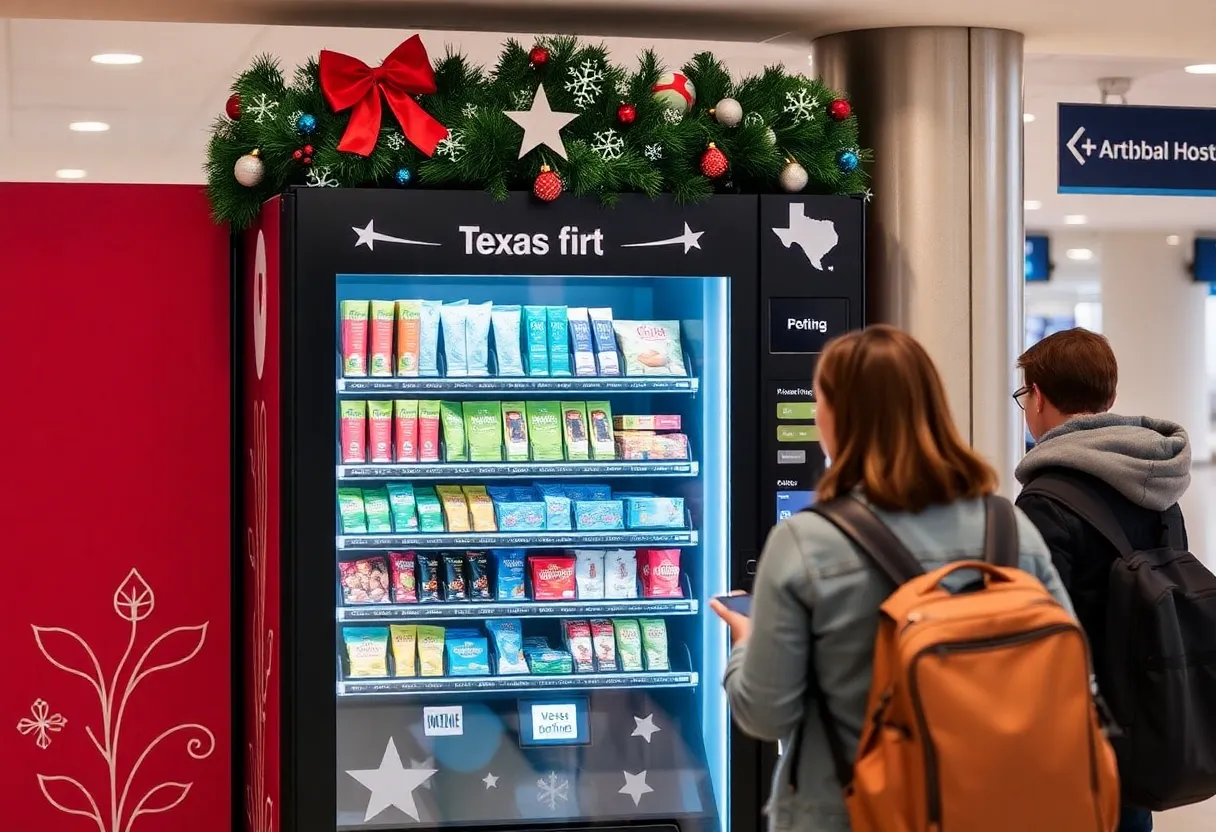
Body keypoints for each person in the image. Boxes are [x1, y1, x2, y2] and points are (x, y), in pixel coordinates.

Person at [712, 324, 1075, 832]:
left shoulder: (806, 542)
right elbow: (1072, 674)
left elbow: (765, 714)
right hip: (990, 806)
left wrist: (745, 643)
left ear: (839, 416)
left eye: (820, 401)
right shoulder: (1007, 527)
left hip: (848, 812)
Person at [1013, 327, 1192, 832]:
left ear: (1038, 399)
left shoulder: (1046, 498)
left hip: (1075, 735)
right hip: (1148, 716)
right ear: (1109, 397)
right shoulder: (1159, 485)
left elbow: (1034, 627)